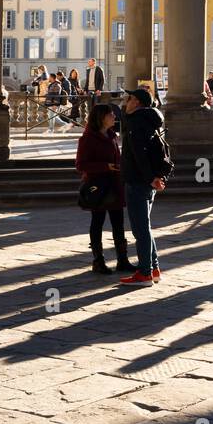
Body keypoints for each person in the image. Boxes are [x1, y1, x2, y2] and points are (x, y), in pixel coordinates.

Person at [118, 87, 170, 287]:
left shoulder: (136, 123)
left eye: (129, 98)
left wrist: (150, 178)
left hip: (138, 181)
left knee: (140, 229)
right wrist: (154, 178)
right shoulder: (151, 120)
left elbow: (140, 154)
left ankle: (145, 272)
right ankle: (153, 267)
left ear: (137, 102)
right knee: (145, 227)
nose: (126, 101)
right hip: (147, 180)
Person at [75, 103, 132, 274]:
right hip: (98, 186)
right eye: (111, 115)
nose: (114, 117)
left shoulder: (112, 135)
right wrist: (106, 166)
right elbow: (81, 165)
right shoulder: (87, 139)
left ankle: (122, 260)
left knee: (118, 223)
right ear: (101, 118)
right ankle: (98, 260)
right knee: (97, 222)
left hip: (115, 185)